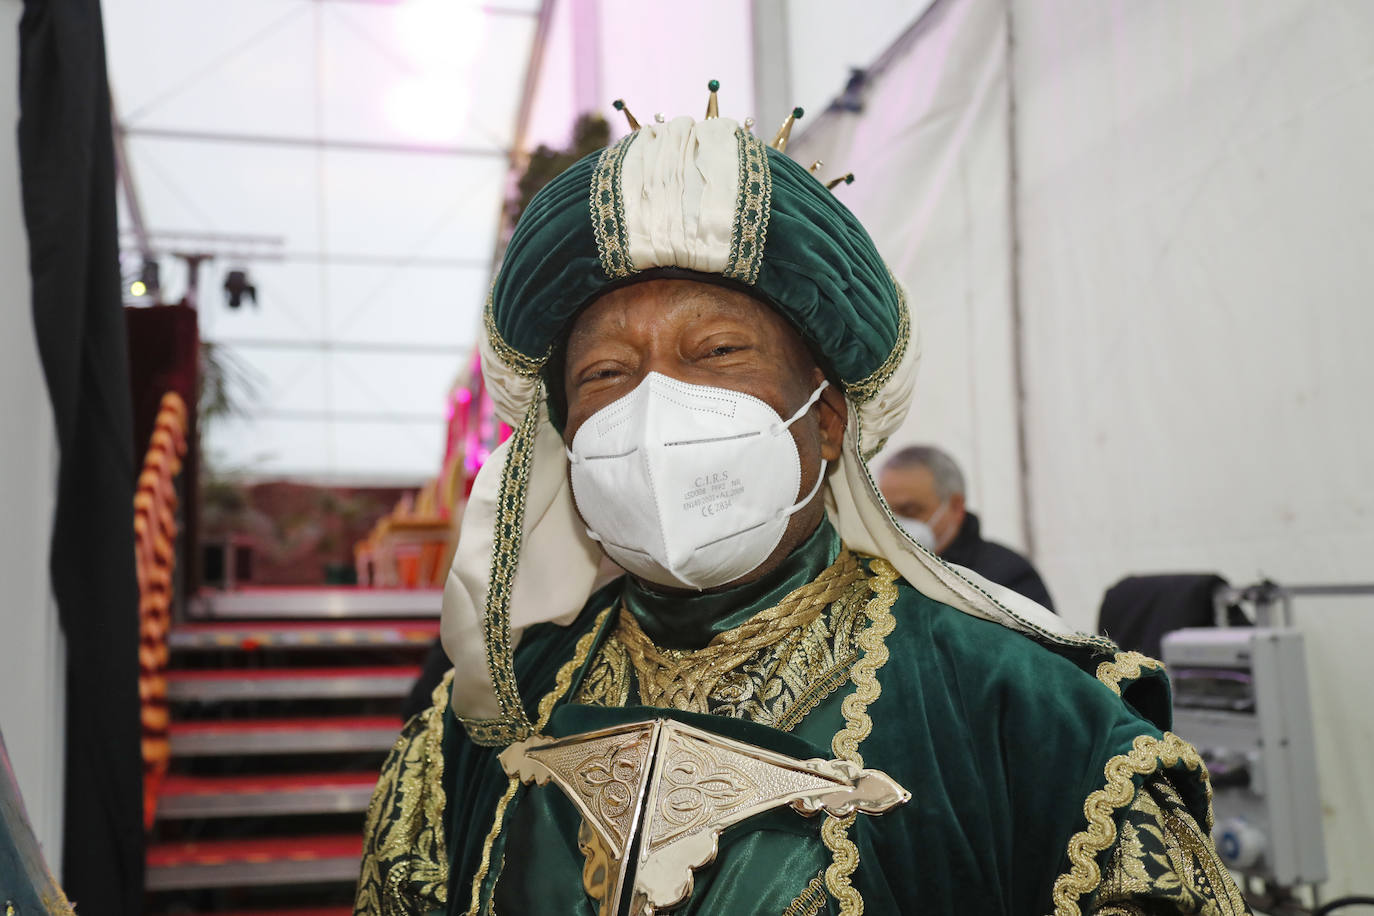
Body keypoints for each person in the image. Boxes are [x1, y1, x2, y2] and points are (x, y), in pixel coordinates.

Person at [354, 89, 1248, 916]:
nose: (654, 408)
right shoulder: (479, 728)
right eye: (606, 373)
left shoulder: (1031, 719)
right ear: (564, 438)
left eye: (717, 352)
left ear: (823, 422)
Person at [878, 444, 1056, 611]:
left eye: (909, 510)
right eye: (884, 511)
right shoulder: (874, 570)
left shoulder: (1008, 577)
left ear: (956, 506)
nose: (894, 522)